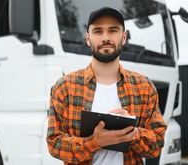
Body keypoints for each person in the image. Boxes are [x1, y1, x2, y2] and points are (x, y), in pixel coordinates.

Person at [46, 7, 166, 165]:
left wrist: (133, 133)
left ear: (123, 37)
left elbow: (156, 144)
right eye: (98, 31)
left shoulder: (144, 87)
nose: (105, 38)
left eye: (113, 30)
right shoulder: (64, 87)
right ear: (88, 39)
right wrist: (95, 142)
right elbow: (54, 144)